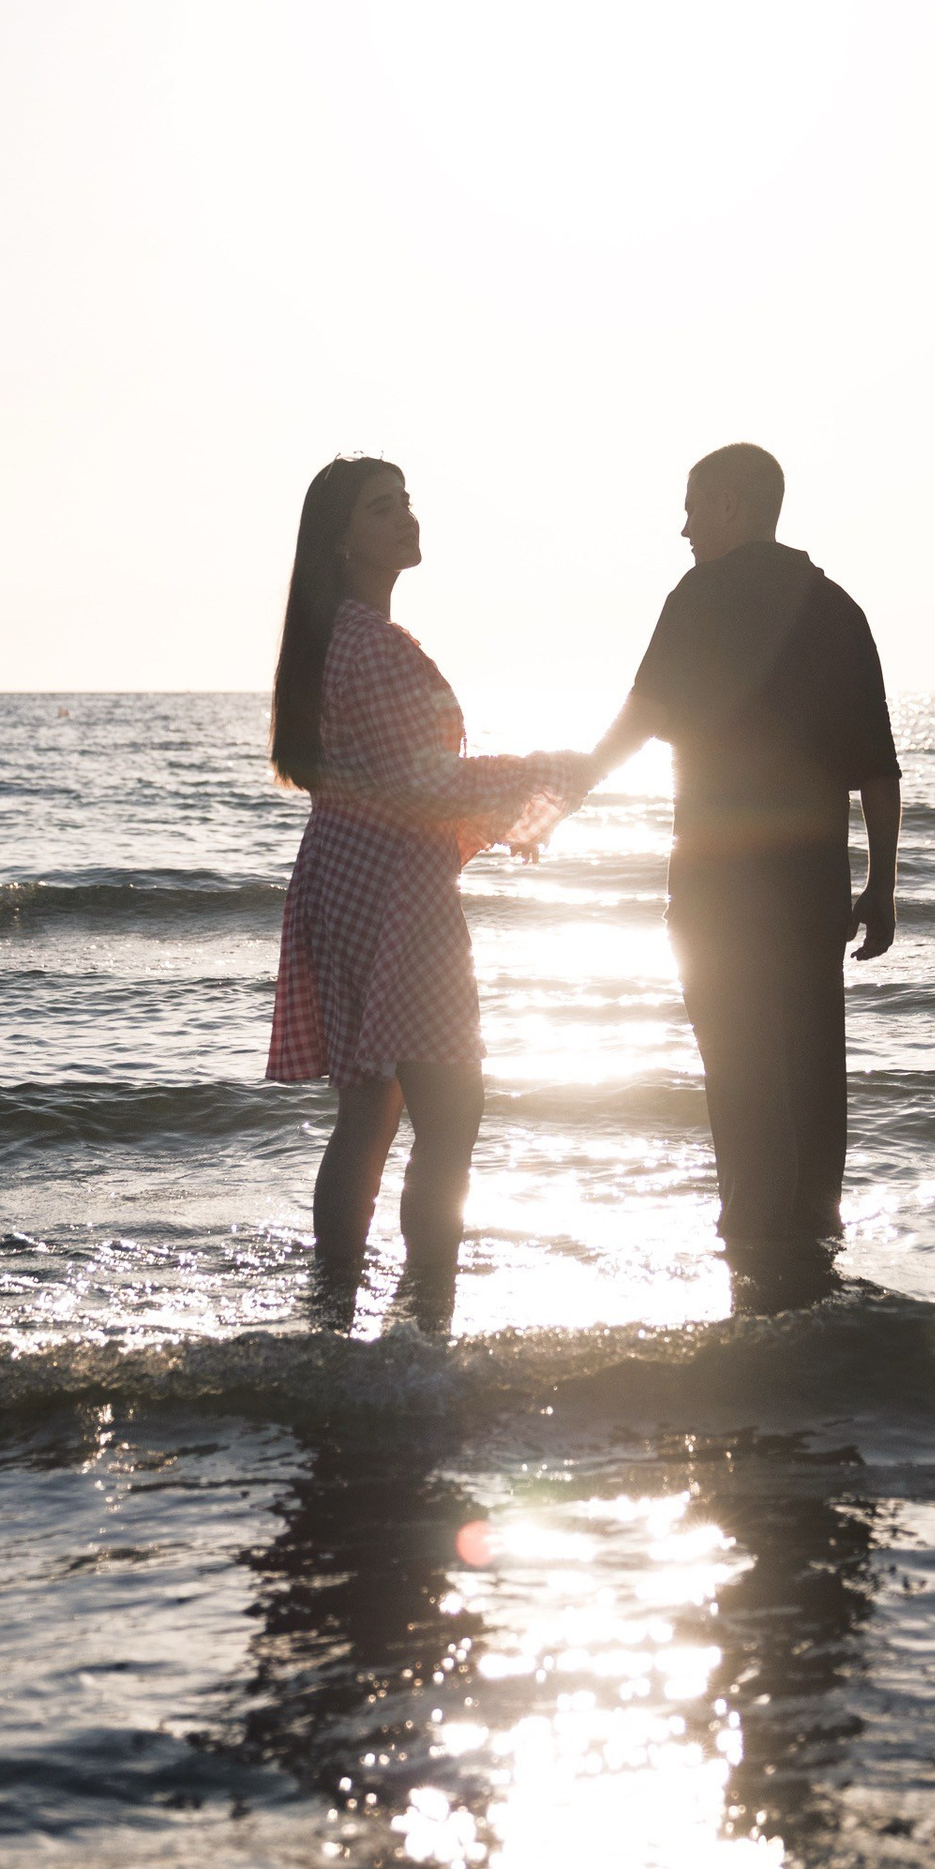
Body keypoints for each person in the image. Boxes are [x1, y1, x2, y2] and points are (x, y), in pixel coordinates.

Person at [584, 442, 899, 1304]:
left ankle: (756, 1274)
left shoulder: (700, 596)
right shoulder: (838, 609)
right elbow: (877, 768)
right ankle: (810, 1267)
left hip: (719, 893)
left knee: (742, 1078)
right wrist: (882, 886)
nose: (683, 528)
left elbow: (644, 715)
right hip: (812, 892)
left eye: (692, 507)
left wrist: (570, 784)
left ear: (729, 504)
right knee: (811, 1077)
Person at [267, 458, 583, 1296]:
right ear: (341, 540)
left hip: (343, 879)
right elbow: (425, 783)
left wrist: (511, 805)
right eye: (381, 508)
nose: (405, 516)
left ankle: (336, 1301)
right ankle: (427, 1308)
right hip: (395, 894)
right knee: (451, 1111)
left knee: (369, 1111)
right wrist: (545, 773)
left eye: (406, 501)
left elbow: (397, 782)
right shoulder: (374, 645)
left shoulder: (336, 637)